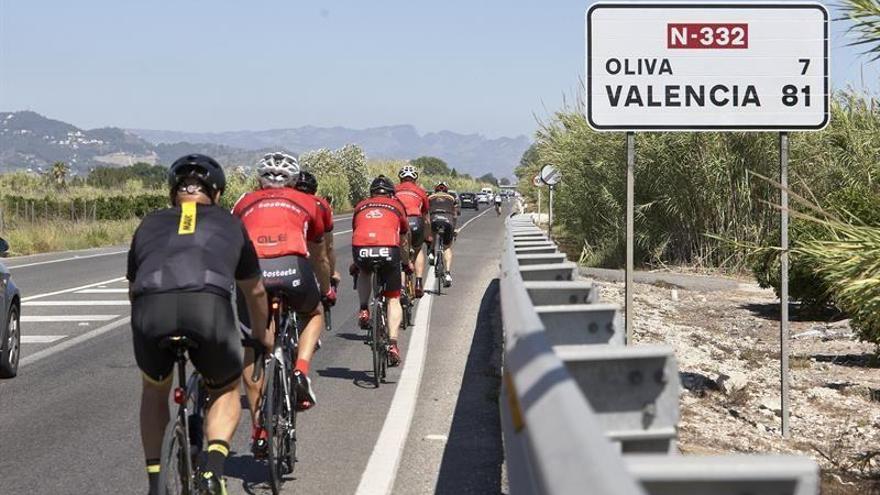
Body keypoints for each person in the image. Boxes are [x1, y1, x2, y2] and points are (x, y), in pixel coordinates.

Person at [128, 154, 269, 495]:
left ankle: (154, 482)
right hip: (208, 307)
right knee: (224, 389)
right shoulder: (231, 223)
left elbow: (133, 289)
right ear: (217, 193)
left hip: (151, 308)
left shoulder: (148, 223)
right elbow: (256, 291)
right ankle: (213, 471)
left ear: (171, 193)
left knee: (154, 389)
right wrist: (261, 336)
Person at [232, 152, 331, 458]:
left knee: (253, 345)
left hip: (254, 272)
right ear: (293, 179)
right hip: (293, 268)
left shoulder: (243, 202)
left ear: (258, 179)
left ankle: (259, 430)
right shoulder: (309, 202)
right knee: (314, 313)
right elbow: (319, 255)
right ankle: (300, 370)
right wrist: (324, 290)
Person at [351, 175, 411, 366]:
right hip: (388, 250)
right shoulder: (397, 206)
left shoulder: (361, 205)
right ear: (391, 194)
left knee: (364, 272)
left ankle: (363, 309)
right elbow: (403, 238)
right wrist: (406, 262)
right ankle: (393, 344)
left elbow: (357, 231)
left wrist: (357, 263)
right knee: (393, 297)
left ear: (372, 193)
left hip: (361, 248)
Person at [294, 170, 340, 302]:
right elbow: (329, 246)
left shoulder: (285, 201)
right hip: (311, 251)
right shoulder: (320, 204)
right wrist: (331, 275)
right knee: (314, 311)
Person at [394, 164, 430, 298]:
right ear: (415, 179)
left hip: (401, 221)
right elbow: (426, 217)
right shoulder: (420, 191)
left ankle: (402, 287)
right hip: (416, 221)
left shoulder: (394, 189)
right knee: (418, 249)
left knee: (400, 254)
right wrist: (428, 236)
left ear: (400, 178)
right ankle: (419, 283)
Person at [428, 182, 459, 287]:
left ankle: (432, 253)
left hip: (434, 219)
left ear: (435, 189)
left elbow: (425, 213)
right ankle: (448, 274)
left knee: (432, 232)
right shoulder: (452, 198)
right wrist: (454, 229)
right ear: (446, 190)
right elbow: (455, 214)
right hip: (448, 221)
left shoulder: (430, 197)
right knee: (447, 247)